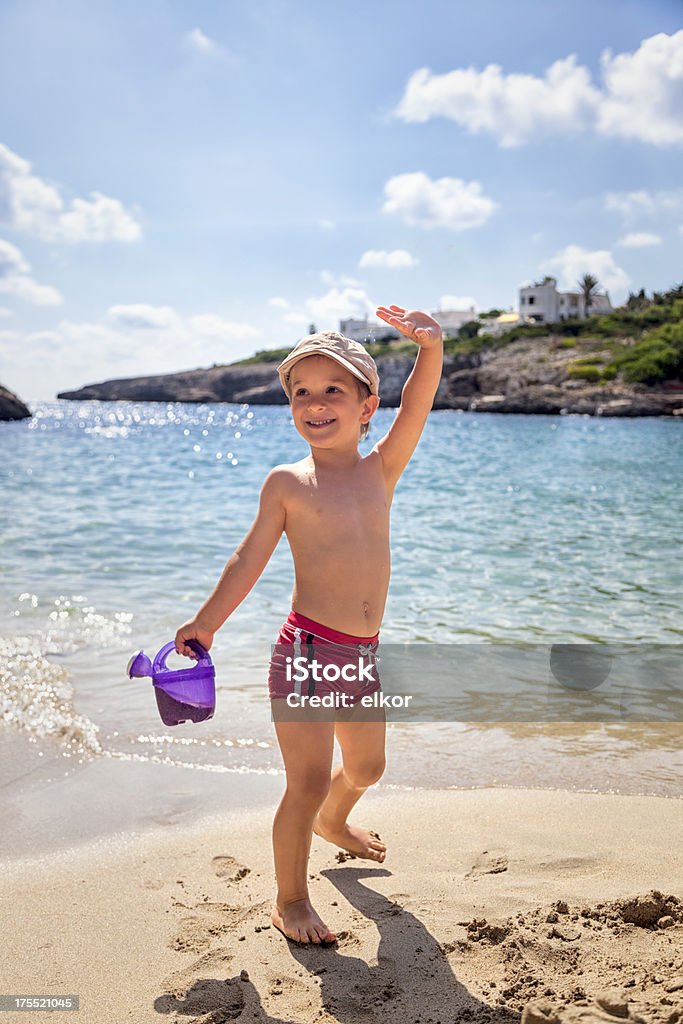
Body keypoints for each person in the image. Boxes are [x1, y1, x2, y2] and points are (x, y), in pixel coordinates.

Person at [174, 305, 443, 945]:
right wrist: (207, 623)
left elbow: (419, 405)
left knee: (369, 768)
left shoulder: (381, 470)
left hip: (361, 656)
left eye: (332, 391)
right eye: (301, 393)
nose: (315, 403)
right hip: (306, 652)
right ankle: (291, 897)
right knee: (306, 779)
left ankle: (335, 822)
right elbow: (247, 559)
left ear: (366, 404)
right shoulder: (287, 484)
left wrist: (430, 347)